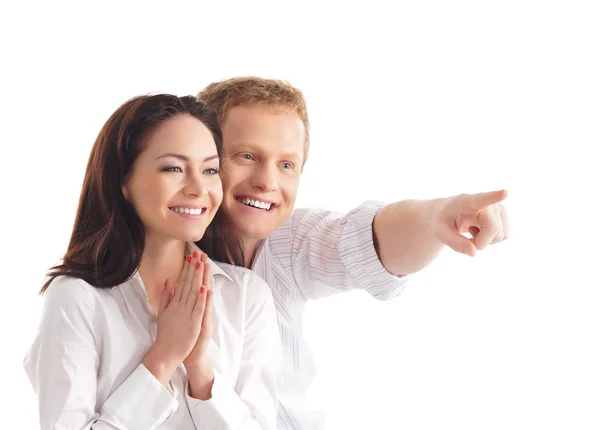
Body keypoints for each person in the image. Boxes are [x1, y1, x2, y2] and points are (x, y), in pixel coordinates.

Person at [196, 76, 510, 429]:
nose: (268, 181)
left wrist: (433, 216)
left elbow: (364, 240)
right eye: (247, 156)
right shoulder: (149, 256)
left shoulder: (288, 242)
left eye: (287, 165)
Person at [23, 94, 281, 429]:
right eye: (174, 168)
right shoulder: (76, 297)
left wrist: (200, 369)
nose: (198, 188)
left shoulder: (247, 296)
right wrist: (163, 357)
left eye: (210, 169)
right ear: (123, 181)